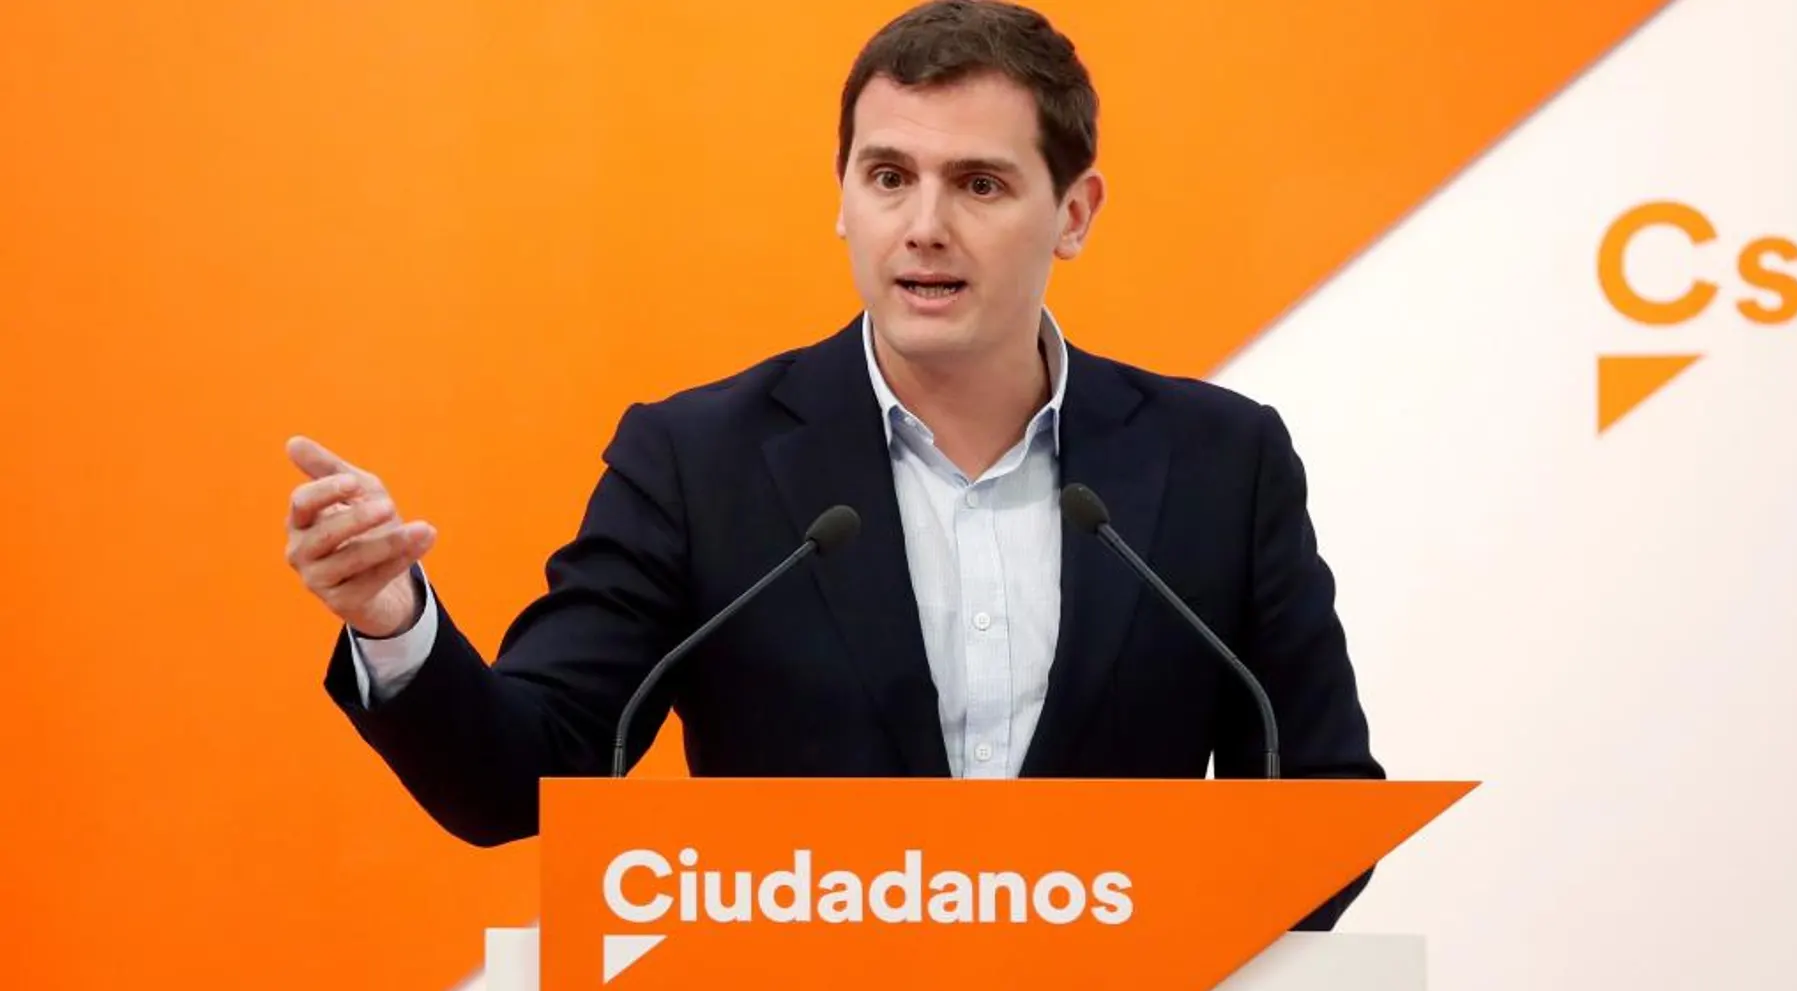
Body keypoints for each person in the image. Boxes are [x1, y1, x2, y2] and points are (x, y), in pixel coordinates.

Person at [283, 0, 1384, 929]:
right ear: (843, 195)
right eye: (889, 175)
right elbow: (522, 781)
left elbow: (1319, 811)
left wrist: (1100, 935)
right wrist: (394, 623)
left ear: (1074, 214)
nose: (924, 225)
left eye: (981, 185)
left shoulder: (1219, 461)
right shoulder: (698, 459)